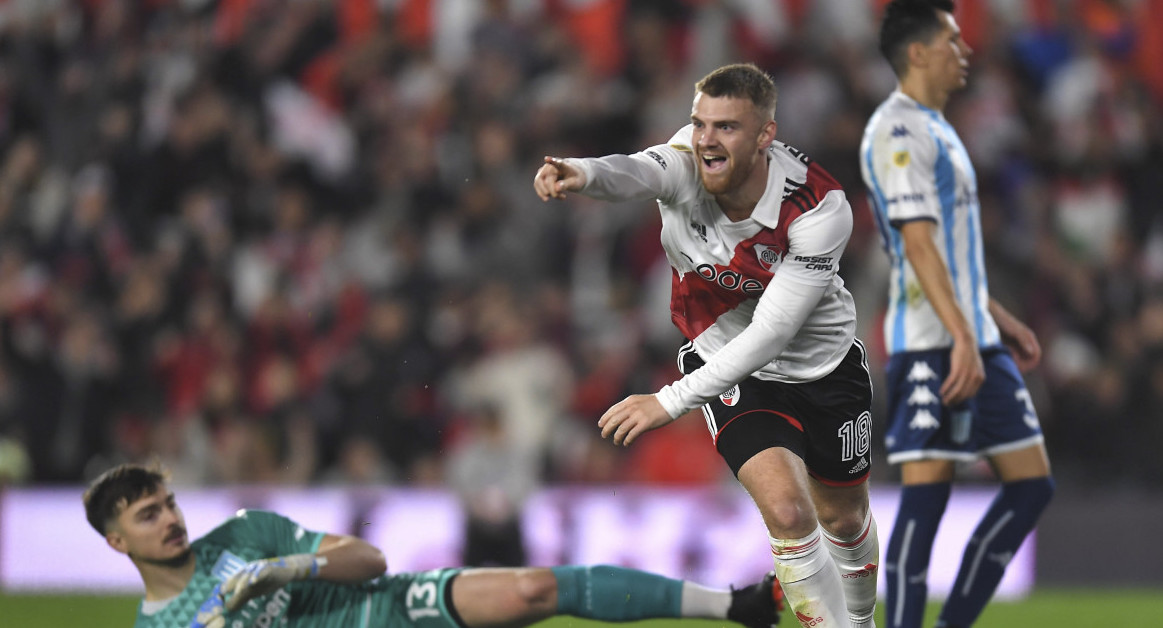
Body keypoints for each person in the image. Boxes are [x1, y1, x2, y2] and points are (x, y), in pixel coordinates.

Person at [535, 62, 879, 628]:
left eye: (726, 127)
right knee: (789, 512)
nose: (706, 141)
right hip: (730, 365)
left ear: (765, 135)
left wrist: (668, 401)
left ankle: (861, 621)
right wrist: (579, 172)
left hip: (824, 368)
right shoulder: (684, 165)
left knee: (843, 519)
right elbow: (632, 172)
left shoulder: (817, 208)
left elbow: (773, 333)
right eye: (700, 124)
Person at [859, 2, 1056, 627]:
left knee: (1031, 486)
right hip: (929, 339)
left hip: (972, 332)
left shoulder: (939, 128)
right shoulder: (896, 132)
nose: (963, 50)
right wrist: (964, 334)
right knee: (928, 494)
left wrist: (996, 317)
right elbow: (916, 245)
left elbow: (948, 251)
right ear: (917, 52)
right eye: (951, 39)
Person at [84, 462, 784, 628]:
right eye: (149, 517)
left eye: (168, 503)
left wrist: (280, 570)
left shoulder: (244, 534)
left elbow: (370, 560)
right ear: (119, 543)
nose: (170, 520)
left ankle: (730, 606)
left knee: (532, 587)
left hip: (385, 608)